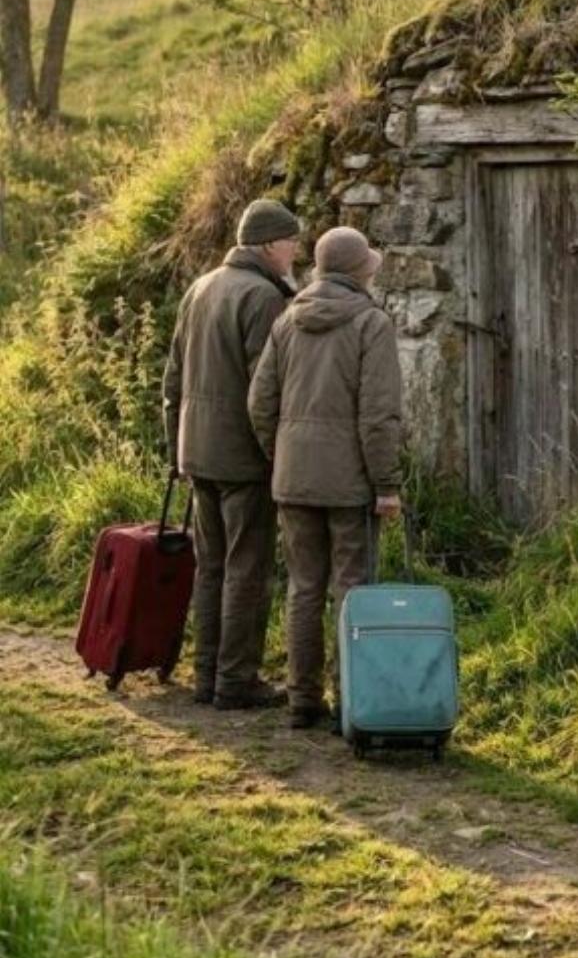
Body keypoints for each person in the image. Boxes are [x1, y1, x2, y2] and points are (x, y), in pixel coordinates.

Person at [248, 225, 403, 730]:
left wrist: (283, 454)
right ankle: (350, 703)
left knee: (303, 588)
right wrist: (386, 485)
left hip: (293, 478)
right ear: (359, 271)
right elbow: (378, 417)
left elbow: (259, 403)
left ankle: (302, 701)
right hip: (350, 483)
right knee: (351, 590)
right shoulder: (370, 324)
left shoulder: (287, 321)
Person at [163, 199, 300, 710]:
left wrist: (175, 448)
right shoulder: (262, 297)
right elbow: (266, 392)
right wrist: (275, 455)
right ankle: (236, 679)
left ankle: (206, 676)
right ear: (267, 245)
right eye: (290, 242)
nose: (294, 251)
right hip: (242, 457)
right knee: (248, 566)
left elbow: (172, 380)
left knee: (212, 566)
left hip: (197, 452)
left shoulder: (201, 288)